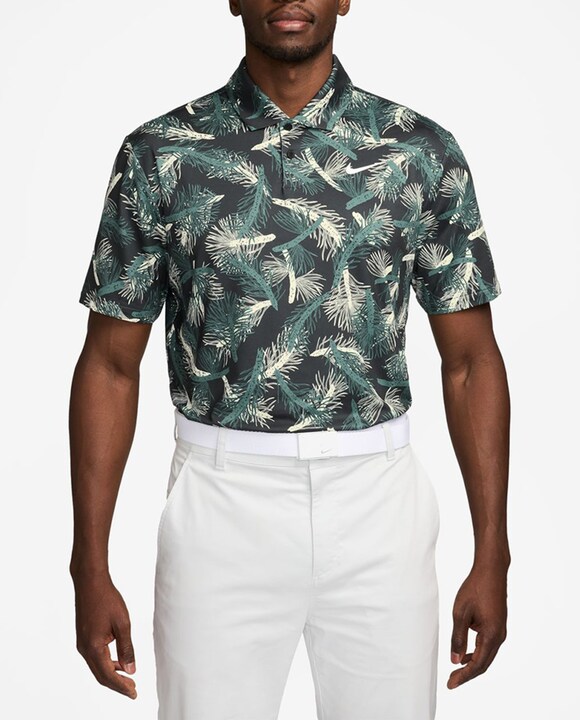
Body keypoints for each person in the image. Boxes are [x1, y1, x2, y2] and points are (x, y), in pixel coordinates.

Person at [69, 1, 511, 718]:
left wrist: (493, 550)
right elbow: (110, 367)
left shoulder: (418, 152)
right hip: (221, 504)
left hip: (378, 503)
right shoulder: (162, 155)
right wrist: (88, 564)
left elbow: (470, 362)